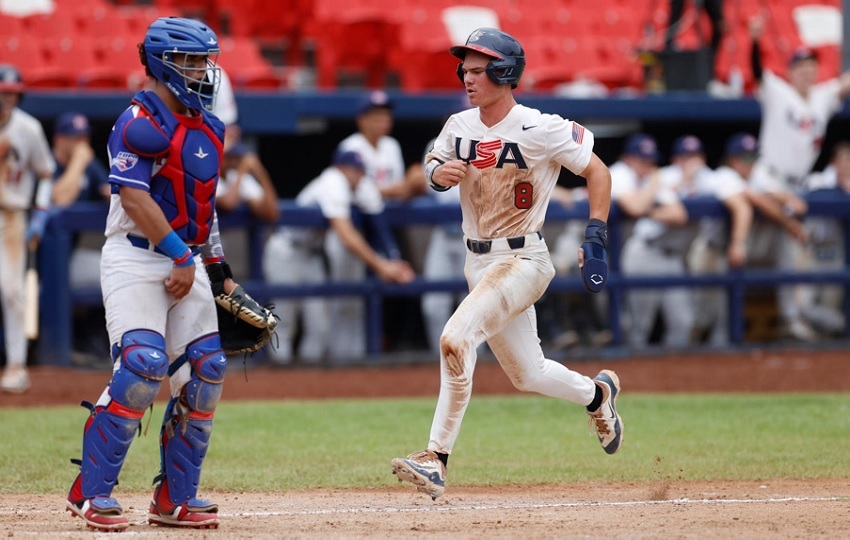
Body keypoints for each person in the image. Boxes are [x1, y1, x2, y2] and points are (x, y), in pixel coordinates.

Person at [390, 28, 622, 501]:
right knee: (528, 374)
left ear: (505, 73)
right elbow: (428, 167)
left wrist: (595, 235)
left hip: (523, 257)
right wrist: (437, 173)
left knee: (456, 339)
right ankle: (598, 396)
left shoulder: (542, 126)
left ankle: (436, 458)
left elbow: (598, 170)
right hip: (478, 261)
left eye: (478, 70)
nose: (468, 78)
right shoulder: (458, 125)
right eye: (466, 70)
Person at [66, 17, 236, 531]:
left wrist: (217, 268)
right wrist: (181, 258)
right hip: (136, 257)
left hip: (187, 259)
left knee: (206, 371)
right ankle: (90, 492)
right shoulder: (138, 119)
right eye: (192, 61)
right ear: (165, 63)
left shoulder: (208, 125)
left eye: (206, 60)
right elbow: (135, 198)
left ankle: (173, 500)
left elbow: (200, 207)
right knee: (143, 367)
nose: (204, 70)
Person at [747, 17, 850, 339]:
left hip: (796, 186)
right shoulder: (779, 91)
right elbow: (755, 70)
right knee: (765, 245)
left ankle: (793, 321)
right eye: (800, 66)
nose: (806, 71)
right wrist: (755, 41)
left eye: (811, 65)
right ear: (791, 71)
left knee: (791, 255)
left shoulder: (822, 96)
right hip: (770, 180)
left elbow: (844, 83)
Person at [264, 150, 414, 364]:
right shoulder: (332, 181)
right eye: (355, 170)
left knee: (320, 326)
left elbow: (378, 222)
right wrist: (381, 266)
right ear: (341, 168)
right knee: (284, 321)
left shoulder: (359, 185)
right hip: (286, 251)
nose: (359, 175)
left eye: (362, 171)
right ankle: (275, 383)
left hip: (311, 254)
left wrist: (394, 258)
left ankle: (307, 383)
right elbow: (345, 234)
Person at [0, 63, 55, 394]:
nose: (6, 99)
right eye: (2, 94)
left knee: (12, 292)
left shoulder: (28, 128)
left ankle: (16, 365)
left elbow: (46, 172)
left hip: (12, 214)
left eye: (11, 94)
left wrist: (40, 214)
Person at [686, 133, 756, 346]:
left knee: (725, 315)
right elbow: (743, 208)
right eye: (746, 159)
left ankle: (720, 362)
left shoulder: (752, 178)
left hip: (723, 253)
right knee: (699, 314)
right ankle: (689, 356)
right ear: (733, 159)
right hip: (707, 250)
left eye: (753, 158)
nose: (751, 164)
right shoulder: (722, 176)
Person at [216, 142, 279, 223]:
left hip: (237, 233)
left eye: (237, 157)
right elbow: (228, 204)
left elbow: (271, 213)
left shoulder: (240, 177)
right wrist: (241, 170)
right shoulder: (208, 178)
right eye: (229, 157)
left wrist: (260, 172)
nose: (233, 162)